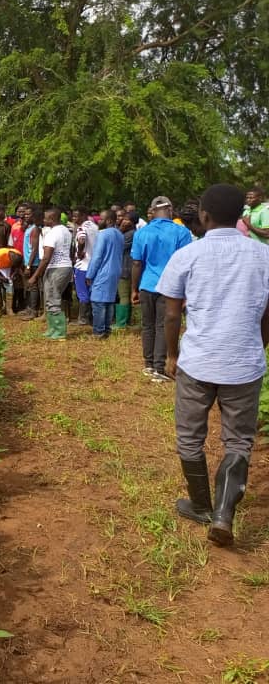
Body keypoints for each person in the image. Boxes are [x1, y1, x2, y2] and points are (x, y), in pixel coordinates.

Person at [157, 184, 269, 547]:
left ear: (203, 215)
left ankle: (202, 504)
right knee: (238, 440)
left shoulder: (188, 255)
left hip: (198, 362)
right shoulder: (263, 256)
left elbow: (172, 315)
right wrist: (258, 344)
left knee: (190, 437)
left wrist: (171, 355)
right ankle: (223, 514)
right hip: (244, 364)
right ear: (241, 215)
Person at [131, 196, 192, 382]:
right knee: (162, 326)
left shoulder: (142, 232)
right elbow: (186, 263)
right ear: (171, 211)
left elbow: (136, 262)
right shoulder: (181, 232)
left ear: (151, 211)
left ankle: (148, 365)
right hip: (170, 287)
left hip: (147, 285)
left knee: (148, 326)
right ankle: (159, 367)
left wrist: (134, 289)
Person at [27, 208, 72, 340]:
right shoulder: (65, 230)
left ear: (52, 219)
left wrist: (35, 276)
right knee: (51, 298)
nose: (43, 220)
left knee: (52, 298)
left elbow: (46, 257)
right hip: (65, 267)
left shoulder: (52, 234)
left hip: (56, 268)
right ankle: (52, 328)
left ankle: (59, 331)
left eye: (46, 218)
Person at [85, 210, 123, 339]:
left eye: (101, 219)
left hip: (103, 271)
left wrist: (90, 274)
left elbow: (97, 257)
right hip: (115, 270)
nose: (98, 221)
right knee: (109, 301)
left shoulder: (103, 235)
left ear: (109, 221)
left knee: (98, 301)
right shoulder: (119, 234)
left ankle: (98, 331)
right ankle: (106, 329)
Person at [72, 207, 99, 326]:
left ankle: (83, 318)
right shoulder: (95, 226)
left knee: (82, 293)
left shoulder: (82, 228)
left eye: (76, 216)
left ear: (83, 215)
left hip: (82, 265)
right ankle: (93, 317)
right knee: (92, 291)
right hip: (94, 265)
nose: (73, 218)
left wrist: (79, 252)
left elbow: (82, 239)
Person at [20, 207, 43, 321]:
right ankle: (29, 308)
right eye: (25, 214)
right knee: (29, 286)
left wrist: (28, 266)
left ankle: (34, 311)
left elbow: (34, 249)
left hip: (33, 263)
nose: (26, 216)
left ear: (34, 216)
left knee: (34, 287)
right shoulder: (29, 228)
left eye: (29, 214)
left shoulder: (35, 229)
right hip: (28, 261)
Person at [114, 212, 137, 329]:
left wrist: (120, 229)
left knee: (123, 295)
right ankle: (125, 321)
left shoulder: (130, 234)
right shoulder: (130, 233)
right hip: (126, 267)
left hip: (125, 268)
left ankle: (121, 323)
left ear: (132, 222)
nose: (123, 221)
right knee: (125, 295)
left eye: (127, 219)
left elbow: (117, 246)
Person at [0, 247, 23, 317]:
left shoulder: (18, 255)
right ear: (10, 259)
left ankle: (9, 309)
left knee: (10, 285)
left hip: (6, 268)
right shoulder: (0, 254)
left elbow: (18, 267)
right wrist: (0, 277)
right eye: (13, 263)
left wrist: (13, 275)